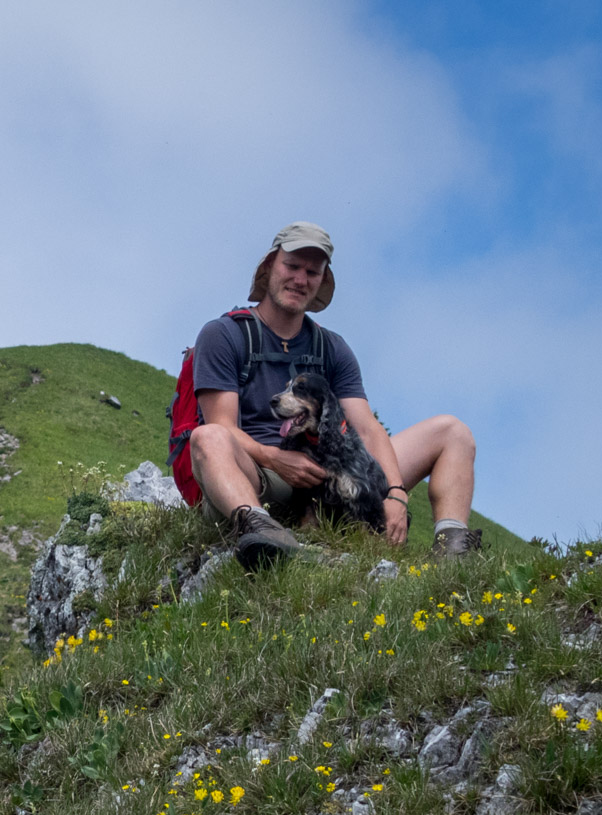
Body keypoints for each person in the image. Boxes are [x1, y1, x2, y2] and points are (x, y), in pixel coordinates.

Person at [182, 222, 479, 567]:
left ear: (322, 281)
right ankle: (261, 528)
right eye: (291, 266)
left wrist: (396, 494)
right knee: (208, 437)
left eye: (312, 271)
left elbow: (366, 428)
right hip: (262, 476)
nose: (300, 279)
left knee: (452, 432)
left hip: (329, 471)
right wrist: (275, 458)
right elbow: (224, 427)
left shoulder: (332, 348)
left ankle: (453, 553)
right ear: (268, 268)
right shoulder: (224, 335)